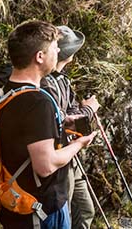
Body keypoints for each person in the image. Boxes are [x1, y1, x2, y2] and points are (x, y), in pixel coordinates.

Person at [0, 21, 97, 229]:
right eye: (54, 48)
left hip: (18, 203)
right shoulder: (37, 102)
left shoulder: (7, 91)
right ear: (39, 56)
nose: (58, 51)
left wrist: (62, 122)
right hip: (40, 210)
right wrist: (79, 144)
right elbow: (46, 165)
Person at [44, 25, 99, 229]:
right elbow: (61, 118)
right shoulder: (46, 83)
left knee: (85, 210)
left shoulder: (62, 80)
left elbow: (72, 109)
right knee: (64, 213)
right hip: (60, 157)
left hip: (70, 155)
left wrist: (84, 111)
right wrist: (90, 109)